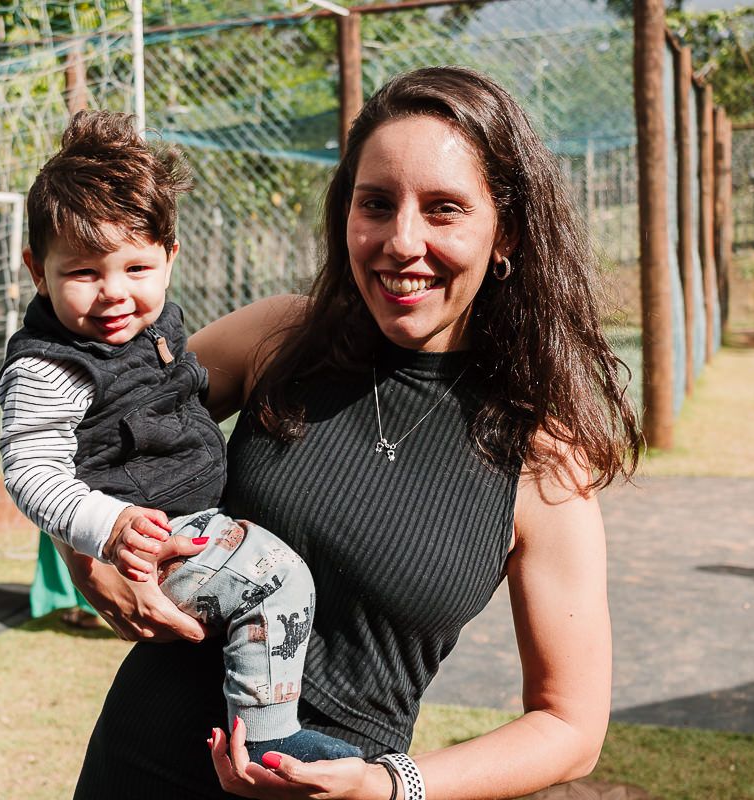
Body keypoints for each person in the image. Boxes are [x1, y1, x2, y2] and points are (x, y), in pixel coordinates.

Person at [67, 65, 642, 799]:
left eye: (443, 209)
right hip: (135, 771)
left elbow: (569, 728)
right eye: (376, 204)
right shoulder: (278, 339)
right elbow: (91, 427)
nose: (402, 241)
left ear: (507, 234)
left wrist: (387, 785)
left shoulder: (542, 464)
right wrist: (86, 548)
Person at [0, 110, 361, 763]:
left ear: (170, 258)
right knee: (277, 581)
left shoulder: (158, 327)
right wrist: (104, 530)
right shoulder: (49, 366)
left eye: (136, 269)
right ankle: (269, 735)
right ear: (35, 269)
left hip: (195, 522)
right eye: (83, 273)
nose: (114, 293)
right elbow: (29, 471)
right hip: (152, 542)